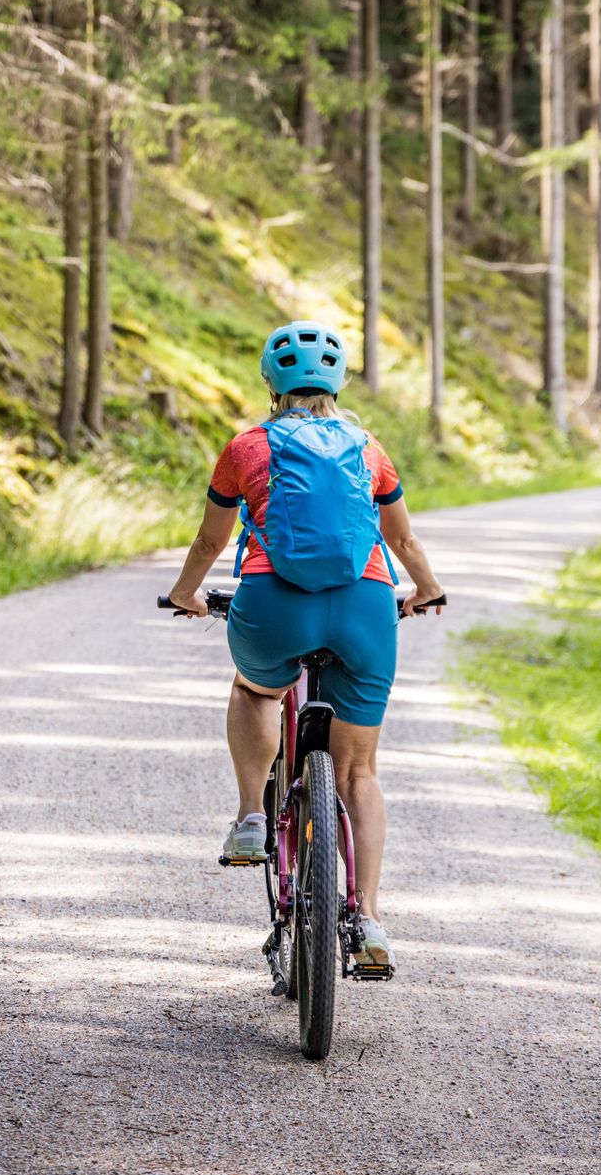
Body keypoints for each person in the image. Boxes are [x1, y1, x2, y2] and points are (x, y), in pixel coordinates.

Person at [165, 321, 445, 969]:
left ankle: (250, 816)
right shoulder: (370, 448)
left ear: (271, 382)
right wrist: (426, 589)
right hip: (365, 606)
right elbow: (401, 543)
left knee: (256, 686)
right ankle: (369, 921)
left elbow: (210, 545)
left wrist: (186, 594)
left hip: (273, 602)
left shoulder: (246, 448)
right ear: (339, 382)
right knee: (359, 772)